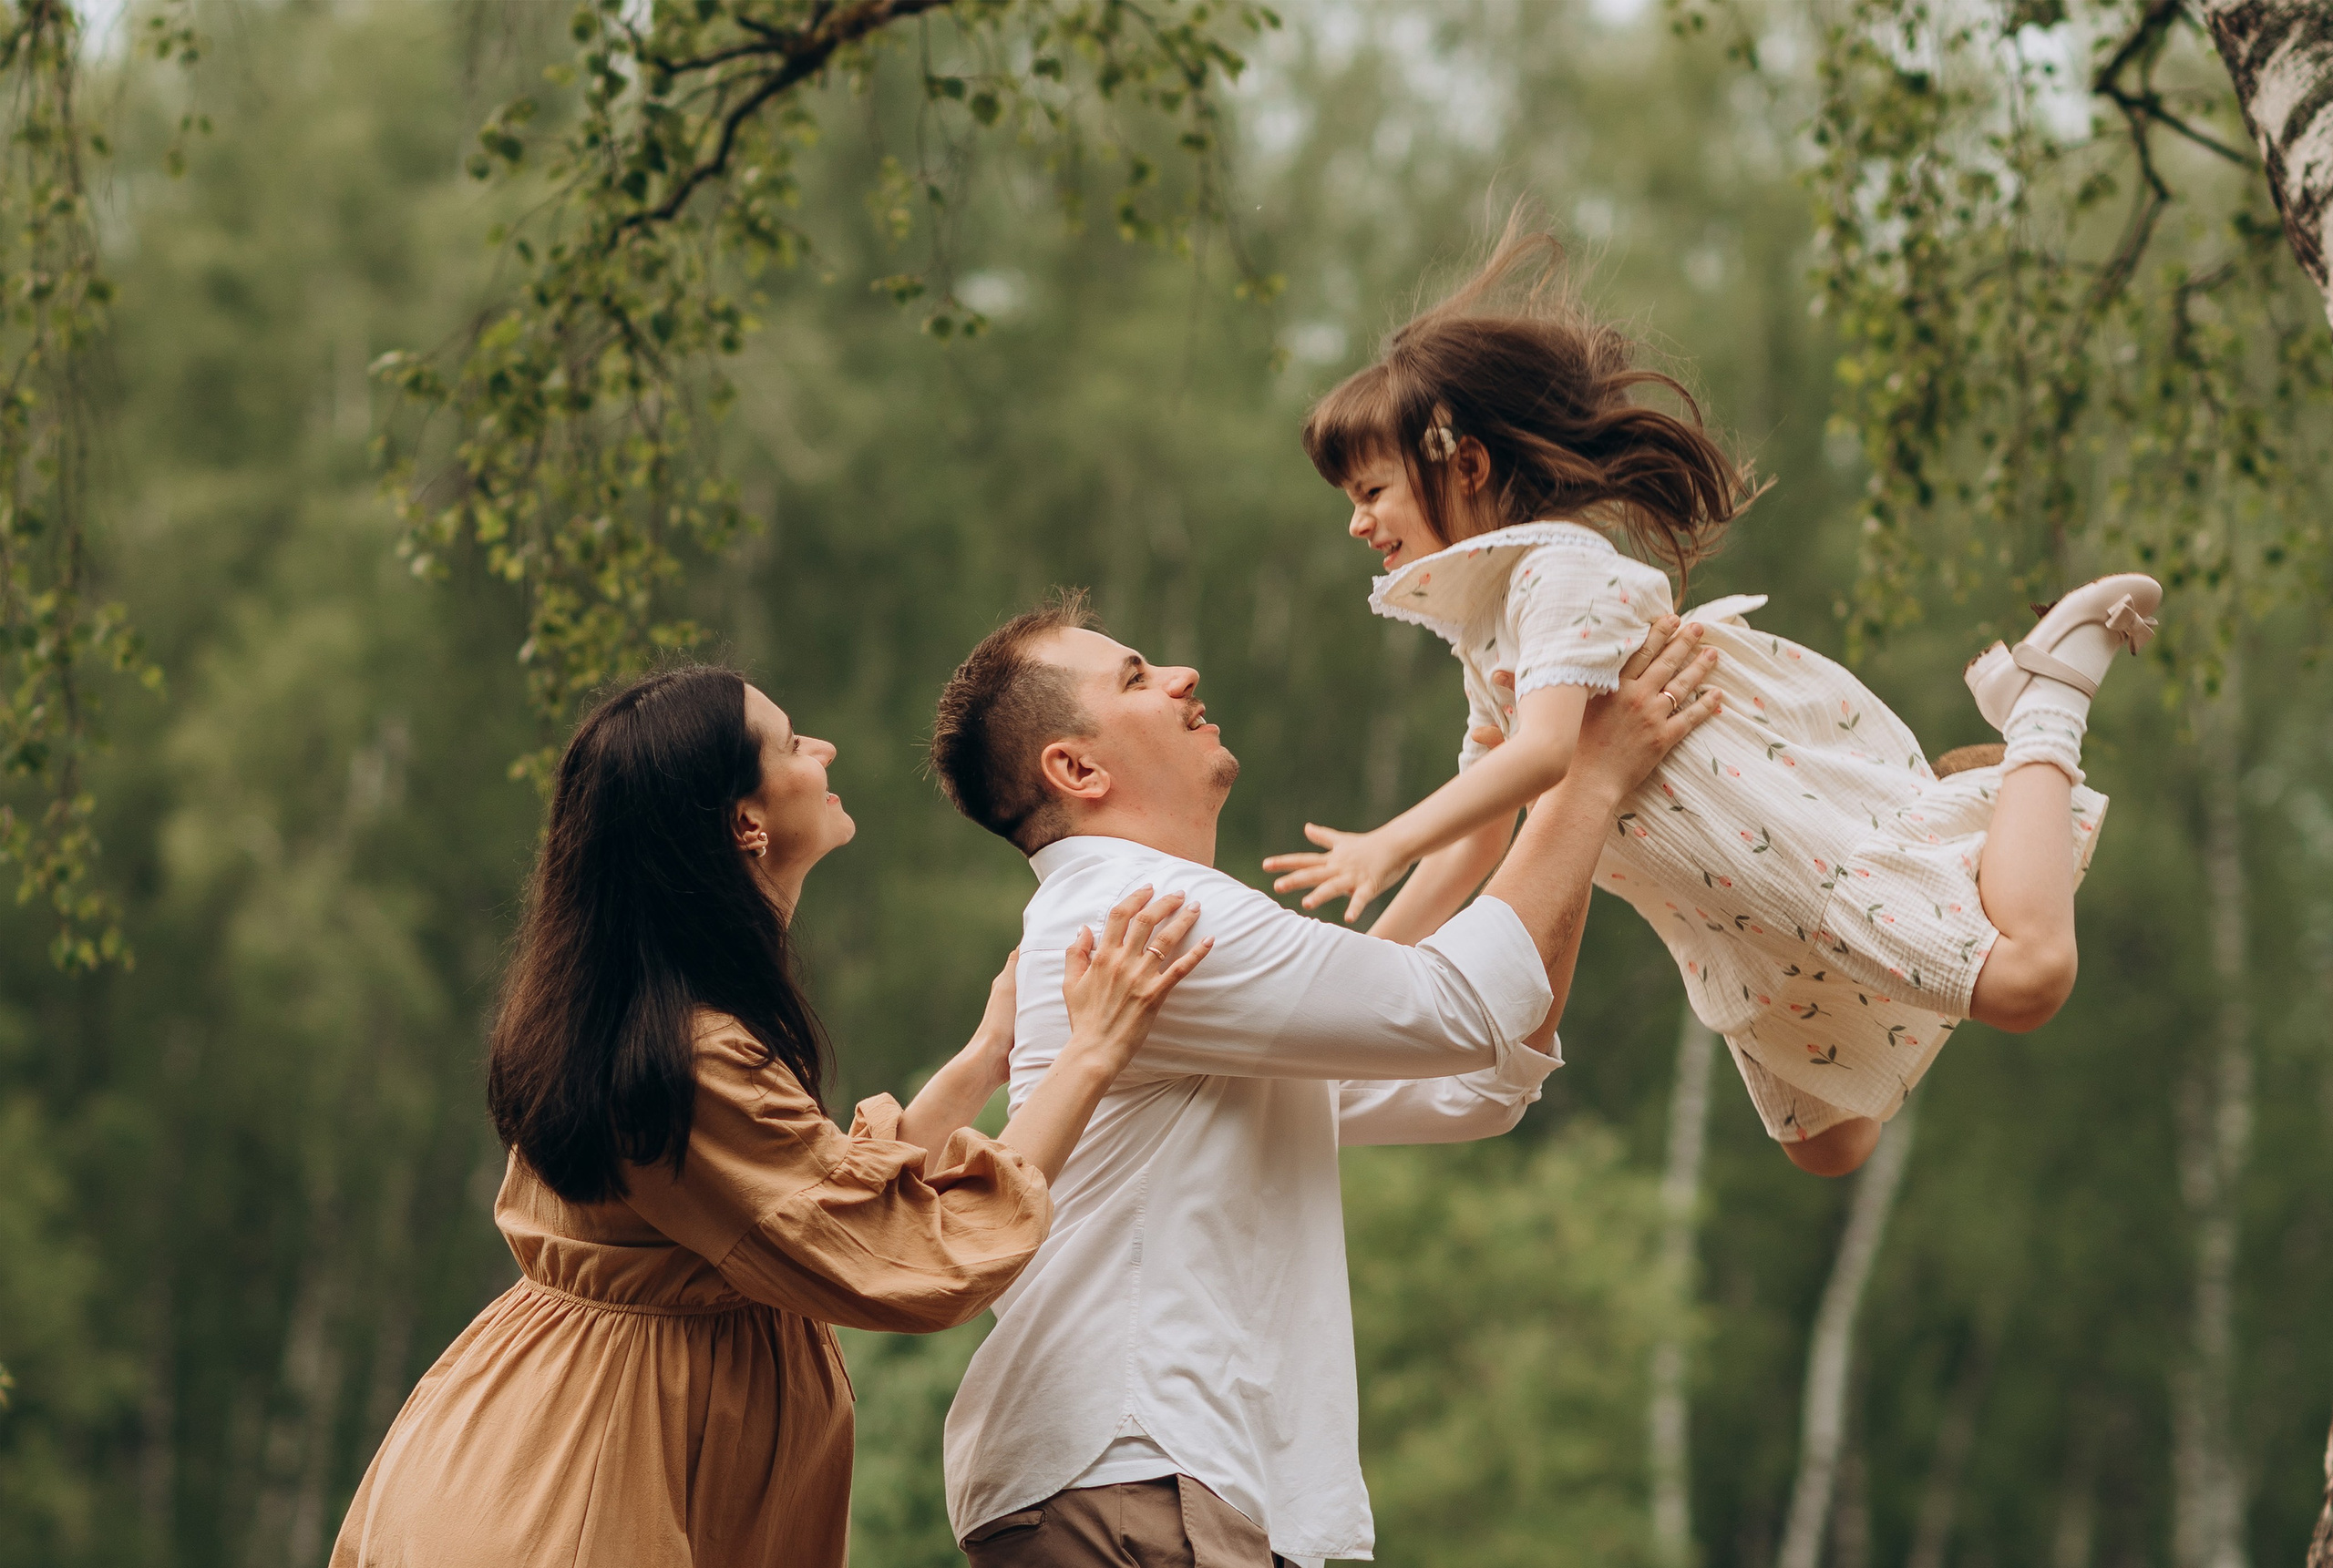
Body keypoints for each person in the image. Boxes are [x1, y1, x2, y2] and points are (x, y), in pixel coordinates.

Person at [1266, 220, 2159, 1178]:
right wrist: (1329, 989)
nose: (1358, 523)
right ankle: (1971, 850)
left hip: (1779, 853)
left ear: (1467, 465)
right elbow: (1479, 838)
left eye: (1370, 491)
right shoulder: (1487, 627)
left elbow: (1545, 756)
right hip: (1722, 916)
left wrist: (1385, 840)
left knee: (2027, 977)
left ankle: (2045, 701)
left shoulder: (1553, 575)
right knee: (1830, 1142)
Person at [330, 665, 1210, 1568]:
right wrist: (1092, 1051)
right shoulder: (691, 1055)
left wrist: (988, 1051)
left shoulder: (667, 1021)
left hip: (539, 1445)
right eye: (791, 742)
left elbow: (816, 1198)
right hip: (587, 1488)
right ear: (744, 822)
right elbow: (913, 1256)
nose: (823, 749)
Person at [927, 593, 1722, 1566]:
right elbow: (1457, 1010)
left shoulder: (1156, 928)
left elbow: (1477, 1074)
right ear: (1076, 767)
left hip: (1173, 1476)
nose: (1183, 676)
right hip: (1137, 1472)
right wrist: (1583, 781)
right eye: (1135, 675)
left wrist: (1528, 798)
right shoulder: (1148, 912)